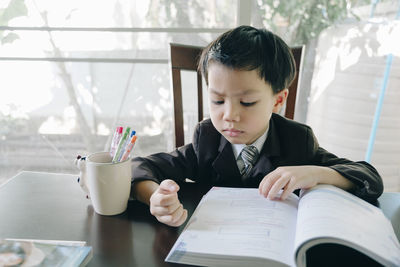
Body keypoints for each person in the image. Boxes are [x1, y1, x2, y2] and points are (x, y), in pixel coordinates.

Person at [131, 25, 383, 227]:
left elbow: (368, 177)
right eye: (217, 100)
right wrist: (154, 196)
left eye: (247, 102)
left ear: (279, 100)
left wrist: (314, 173)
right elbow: (140, 166)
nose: (230, 115)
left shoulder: (296, 140)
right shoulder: (206, 138)